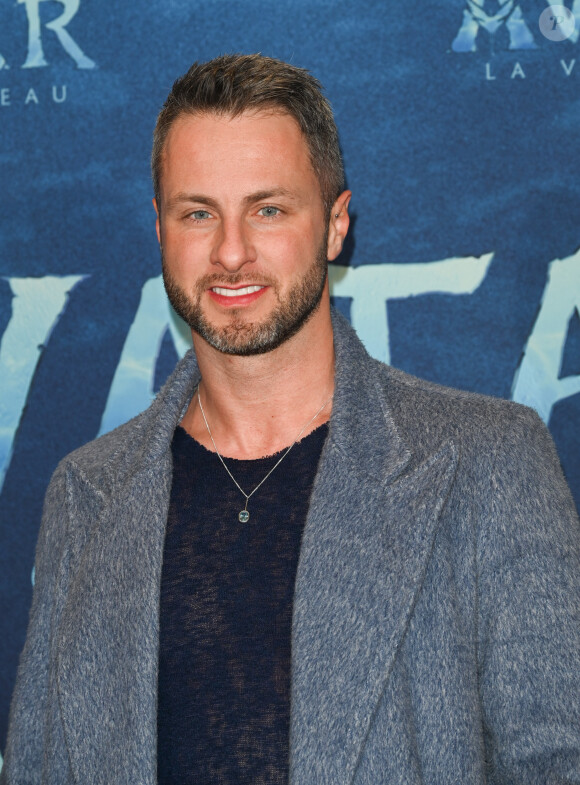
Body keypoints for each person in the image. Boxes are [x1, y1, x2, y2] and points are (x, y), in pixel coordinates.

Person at [1, 53, 579, 785]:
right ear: (159, 229)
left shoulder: (489, 462)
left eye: (268, 209)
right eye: (198, 213)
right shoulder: (86, 492)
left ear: (336, 225)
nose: (231, 252)